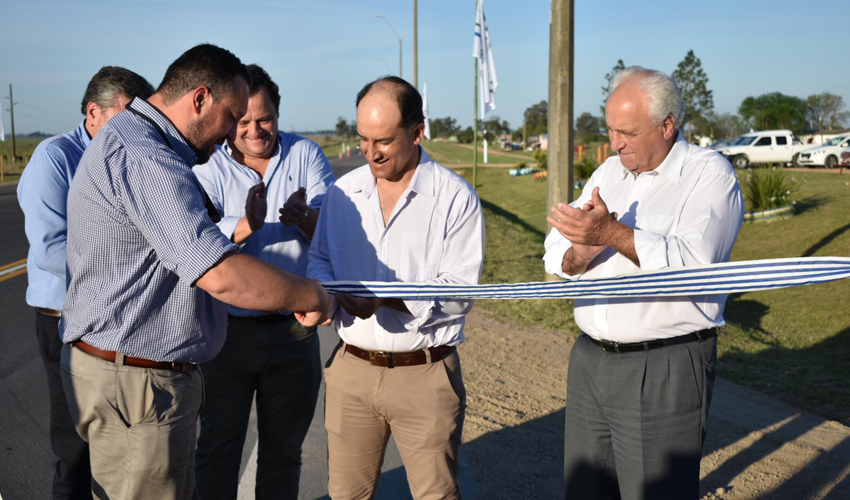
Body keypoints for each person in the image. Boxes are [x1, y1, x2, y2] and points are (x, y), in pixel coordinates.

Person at [59, 44, 330, 500]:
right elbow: (218, 273)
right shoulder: (149, 159)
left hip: (138, 378)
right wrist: (310, 296)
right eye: (232, 116)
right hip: (138, 386)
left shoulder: (144, 142)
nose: (232, 135)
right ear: (200, 99)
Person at [543, 66, 744, 499]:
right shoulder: (608, 173)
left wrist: (610, 235)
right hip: (590, 360)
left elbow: (694, 265)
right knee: (585, 490)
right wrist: (580, 253)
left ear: (667, 125)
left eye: (628, 132)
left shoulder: (709, 176)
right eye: (611, 129)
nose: (615, 143)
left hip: (663, 365)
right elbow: (556, 250)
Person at [308, 76, 485, 500]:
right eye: (363, 139)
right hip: (351, 370)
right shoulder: (343, 193)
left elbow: (460, 293)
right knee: (346, 494)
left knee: (434, 495)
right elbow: (320, 259)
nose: (371, 153)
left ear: (417, 131)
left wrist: (386, 298)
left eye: (384, 140)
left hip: (424, 373)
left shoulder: (455, 198)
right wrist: (326, 298)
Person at [193, 64, 335, 499]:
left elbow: (334, 232)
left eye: (265, 118)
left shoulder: (306, 156)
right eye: (243, 120)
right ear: (229, 117)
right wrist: (246, 224)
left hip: (292, 332)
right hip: (225, 335)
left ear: (278, 112)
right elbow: (193, 237)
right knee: (217, 446)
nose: (255, 130)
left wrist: (305, 218)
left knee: (283, 451)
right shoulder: (208, 167)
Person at [17, 66, 154, 500]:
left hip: (116, 324)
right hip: (65, 322)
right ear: (93, 112)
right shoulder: (56, 158)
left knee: (117, 448)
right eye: (130, 117)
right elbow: (49, 249)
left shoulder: (131, 159)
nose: (139, 130)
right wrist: (125, 276)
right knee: (76, 450)